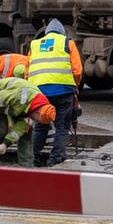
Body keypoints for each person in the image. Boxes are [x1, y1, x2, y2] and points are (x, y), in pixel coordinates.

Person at [27, 18, 83, 167]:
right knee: (62, 127)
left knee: (40, 126)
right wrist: (75, 86)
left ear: (46, 32)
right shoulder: (67, 43)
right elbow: (77, 70)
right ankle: (55, 160)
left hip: (40, 94)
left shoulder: (35, 45)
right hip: (64, 91)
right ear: (62, 32)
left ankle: (34, 160)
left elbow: (28, 72)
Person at [0, 77, 56, 167]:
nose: (36, 121)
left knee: (26, 135)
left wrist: (5, 144)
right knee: (0, 131)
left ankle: (27, 168)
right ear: (37, 112)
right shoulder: (21, 96)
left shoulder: (37, 108)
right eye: (37, 120)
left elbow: (17, 132)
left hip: (15, 108)